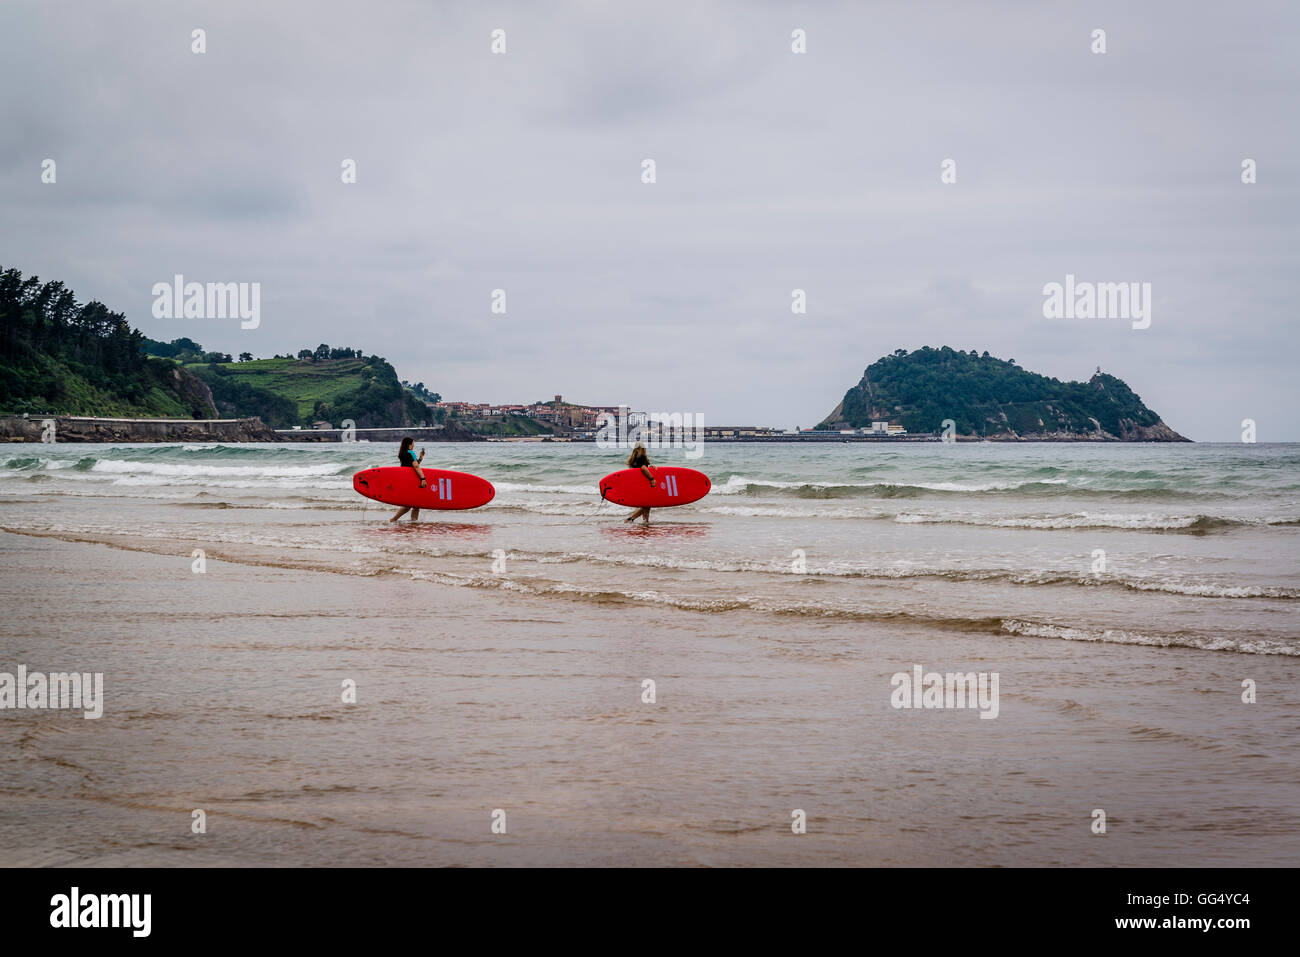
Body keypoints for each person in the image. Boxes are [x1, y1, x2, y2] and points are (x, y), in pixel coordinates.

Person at [389, 436, 427, 523]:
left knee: (415, 504)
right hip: (412, 479)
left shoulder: (402, 453)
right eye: (413, 443)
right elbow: (416, 466)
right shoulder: (411, 453)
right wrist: (423, 478)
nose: (414, 445)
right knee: (410, 504)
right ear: (410, 444)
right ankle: (394, 519)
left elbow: (412, 464)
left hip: (405, 479)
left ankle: (413, 522)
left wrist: (420, 458)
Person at [623, 443, 656, 525]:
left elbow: (639, 470)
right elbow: (643, 468)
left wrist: (651, 467)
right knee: (647, 504)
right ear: (639, 449)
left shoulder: (633, 459)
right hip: (643, 484)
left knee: (647, 504)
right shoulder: (641, 457)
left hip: (637, 484)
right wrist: (652, 479)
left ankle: (646, 521)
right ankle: (631, 519)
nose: (644, 450)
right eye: (643, 449)